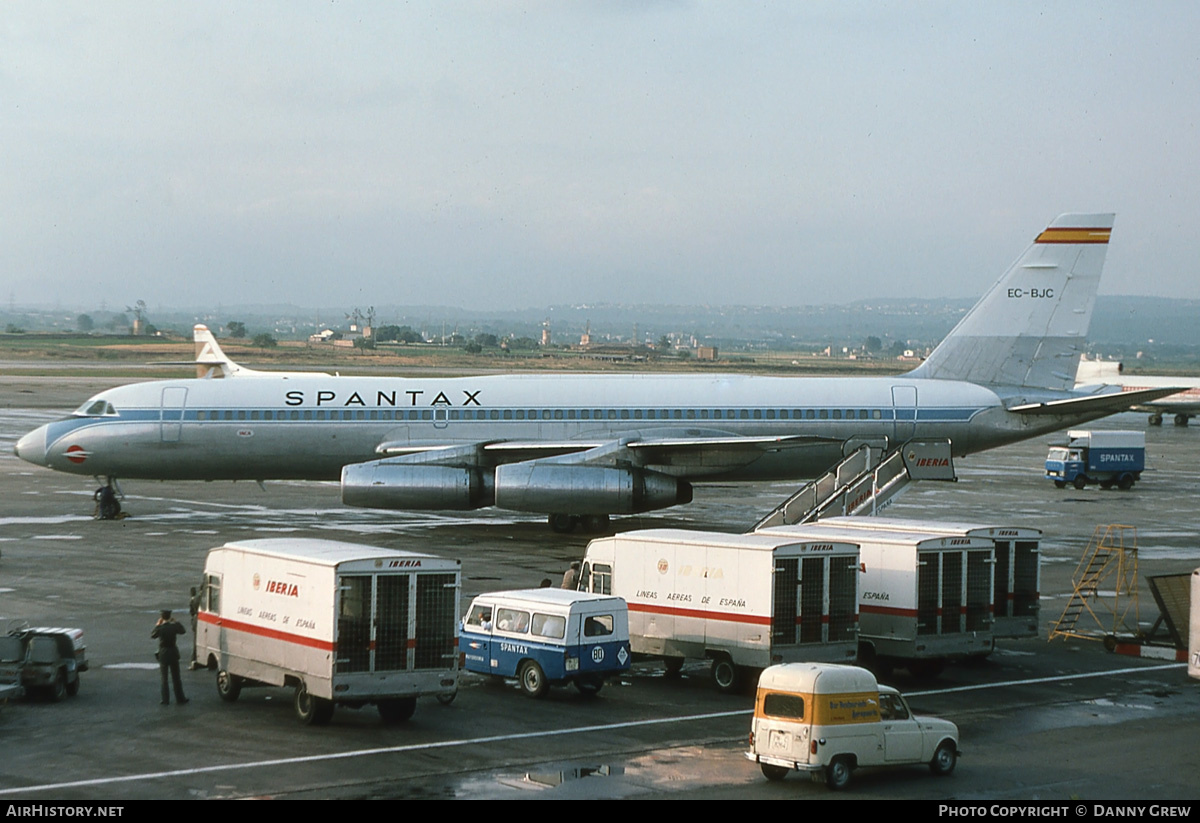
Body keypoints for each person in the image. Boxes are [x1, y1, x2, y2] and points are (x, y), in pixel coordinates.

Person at [152, 609, 188, 705]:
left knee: (164, 678)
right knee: (176, 678)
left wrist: (157, 625)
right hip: (173, 652)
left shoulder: (161, 628)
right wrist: (176, 622)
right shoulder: (173, 627)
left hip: (163, 653)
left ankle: (165, 699)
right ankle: (180, 698)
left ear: (162, 617)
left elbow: (153, 635)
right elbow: (183, 631)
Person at [187, 586, 203, 669]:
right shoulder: (205, 598)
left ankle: (194, 660)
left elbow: (192, 612)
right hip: (204, 620)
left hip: (196, 620)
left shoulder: (195, 599)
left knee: (196, 641)